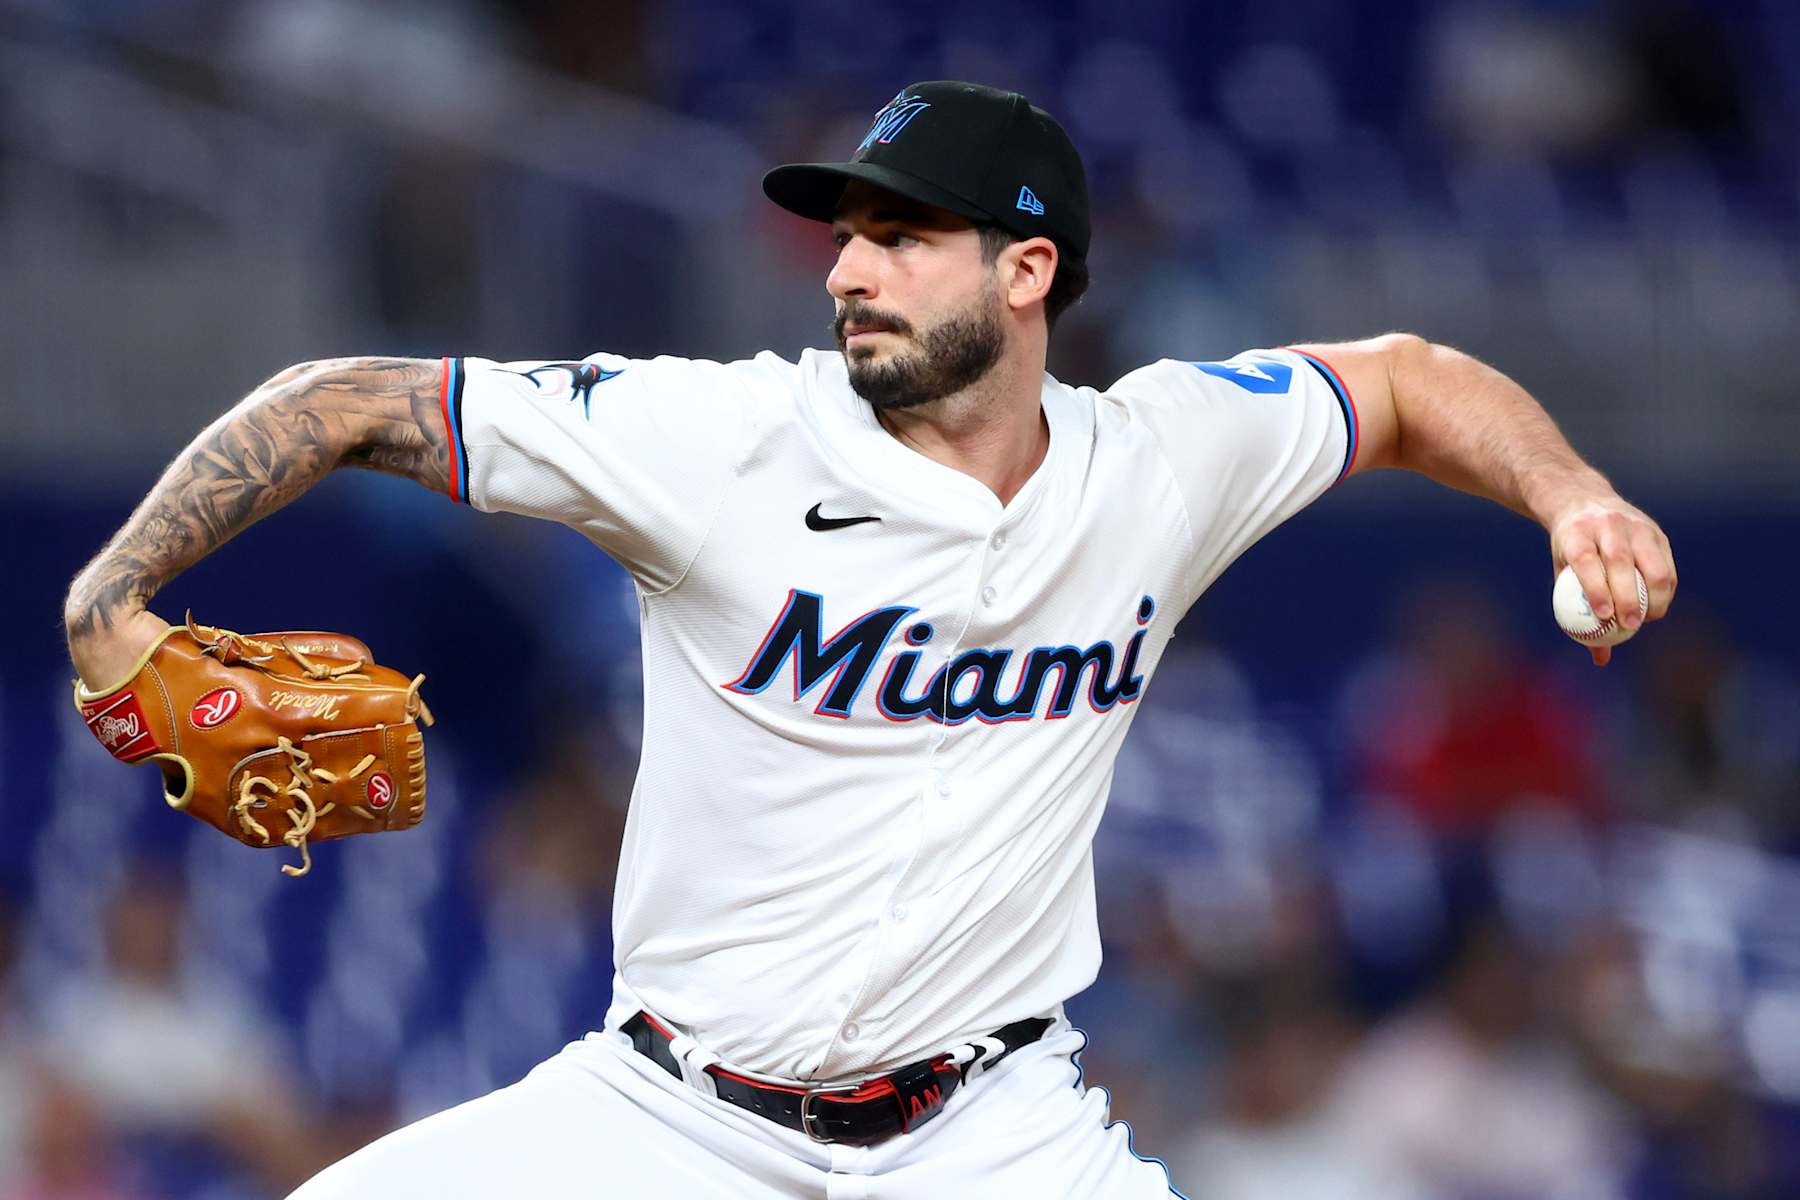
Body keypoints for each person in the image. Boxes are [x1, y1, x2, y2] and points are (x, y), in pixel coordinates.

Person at [61, 81, 1677, 1199]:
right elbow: (347, 401)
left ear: (1028, 269)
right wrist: (112, 594)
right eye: (845, 233)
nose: (847, 268)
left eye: (903, 234)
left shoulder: (1162, 462)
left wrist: (1573, 496)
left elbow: (1395, 378)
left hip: (992, 1133)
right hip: (672, 1123)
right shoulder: (715, 442)